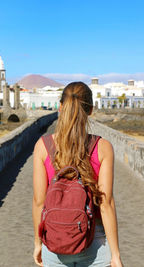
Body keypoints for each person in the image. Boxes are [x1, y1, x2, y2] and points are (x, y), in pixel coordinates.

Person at [32, 82, 123, 267]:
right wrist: (115, 255)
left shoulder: (43, 146)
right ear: (90, 110)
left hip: (54, 240)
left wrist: (38, 243)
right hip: (94, 241)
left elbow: (39, 202)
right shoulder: (102, 147)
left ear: (60, 107)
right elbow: (106, 204)